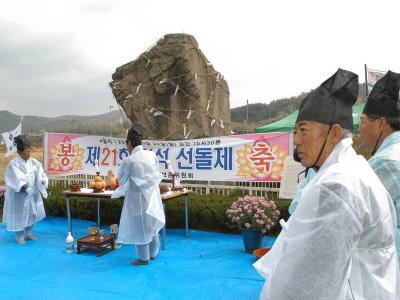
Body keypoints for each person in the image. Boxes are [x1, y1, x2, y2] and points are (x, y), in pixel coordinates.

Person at [254, 69, 400, 299]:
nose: (297, 140)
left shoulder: (336, 186)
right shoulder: (353, 166)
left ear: (333, 133)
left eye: (303, 130)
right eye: (295, 131)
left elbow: (308, 278)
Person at [360, 70, 400, 261]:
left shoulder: (386, 161)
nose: (360, 129)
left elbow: (359, 215)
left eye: (363, 121)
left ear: (381, 124)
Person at [112, 125, 165, 266]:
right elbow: (155, 173)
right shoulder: (151, 155)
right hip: (152, 196)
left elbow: (121, 180)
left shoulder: (128, 161)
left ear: (129, 143)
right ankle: (153, 254)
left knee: (140, 227)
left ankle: (143, 258)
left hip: (137, 198)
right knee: (151, 225)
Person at [3, 135, 48, 244]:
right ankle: (19, 236)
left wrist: (43, 181)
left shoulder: (34, 162)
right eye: (27, 151)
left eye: (30, 151)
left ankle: (28, 233)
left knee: (32, 213)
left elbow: (41, 173)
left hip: (32, 194)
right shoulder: (13, 163)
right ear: (20, 151)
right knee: (19, 214)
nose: (29, 153)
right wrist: (25, 187)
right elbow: (16, 178)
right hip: (19, 196)